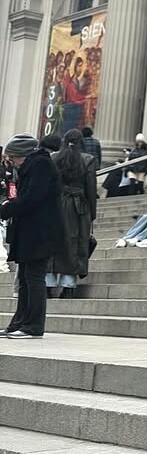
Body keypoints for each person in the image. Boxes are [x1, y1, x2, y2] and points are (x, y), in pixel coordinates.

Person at [0, 133, 64, 338]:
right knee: (25, 278)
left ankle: (33, 326)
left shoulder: (41, 166)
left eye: (13, 157)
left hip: (40, 232)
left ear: (23, 154)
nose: (11, 161)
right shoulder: (33, 166)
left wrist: (6, 208)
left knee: (34, 278)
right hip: (31, 231)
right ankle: (18, 323)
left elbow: (31, 198)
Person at [46, 129, 97, 299]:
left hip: (55, 204)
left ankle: (48, 283)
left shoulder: (53, 158)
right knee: (74, 244)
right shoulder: (88, 159)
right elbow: (91, 189)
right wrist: (92, 213)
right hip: (78, 206)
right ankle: (68, 286)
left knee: (52, 242)